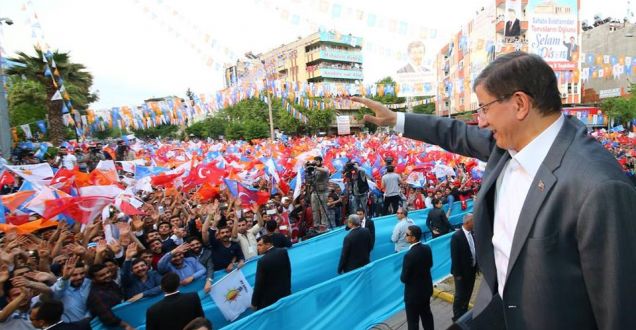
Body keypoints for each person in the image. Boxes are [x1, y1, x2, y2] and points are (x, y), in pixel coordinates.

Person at [352, 51, 636, 329]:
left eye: (485, 108)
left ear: (520, 104)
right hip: (495, 312)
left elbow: (619, 309)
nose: (482, 121)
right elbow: (454, 133)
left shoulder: (599, 187)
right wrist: (396, 119)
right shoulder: (507, 145)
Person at [400, 225, 434, 330]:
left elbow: (404, 278)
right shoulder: (427, 248)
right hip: (426, 291)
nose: (405, 236)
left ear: (413, 238)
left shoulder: (409, 255)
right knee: (427, 317)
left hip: (413, 296)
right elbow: (430, 264)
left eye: (407, 235)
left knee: (413, 322)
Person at [86, 264, 133, 330]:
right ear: (93, 279)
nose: (107, 275)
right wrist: (125, 325)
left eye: (108, 272)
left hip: (119, 318)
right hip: (110, 325)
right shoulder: (94, 294)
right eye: (102, 275)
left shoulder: (111, 282)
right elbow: (106, 316)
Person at [251, 235, 292, 310]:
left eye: (260, 245)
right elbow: (288, 272)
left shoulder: (262, 261)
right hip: (285, 294)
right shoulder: (283, 251)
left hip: (269, 301)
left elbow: (258, 284)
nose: (258, 248)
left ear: (268, 244)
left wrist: (254, 303)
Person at [450, 213, 477, 321]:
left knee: (468, 293)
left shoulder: (473, 233)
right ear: (467, 222)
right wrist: (458, 275)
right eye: (473, 221)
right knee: (460, 296)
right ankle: (457, 318)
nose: (475, 223)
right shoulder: (457, 237)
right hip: (461, 274)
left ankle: (464, 314)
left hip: (472, 270)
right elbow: (455, 258)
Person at [50, 256, 91, 323]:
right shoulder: (58, 287)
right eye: (74, 275)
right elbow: (57, 291)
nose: (79, 277)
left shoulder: (88, 282)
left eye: (82, 273)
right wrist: (65, 278)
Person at [307, 156, 330, 232]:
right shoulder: (313, 170)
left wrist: (315, 167)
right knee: (314, 209)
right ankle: (316, 225)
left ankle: (324, 225)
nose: (315, 163)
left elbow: (326, 171)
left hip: (323, 192)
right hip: (314, 191)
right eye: (315, 161)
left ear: (321, 161)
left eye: (317, 161)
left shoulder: (324, 168)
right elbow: (309, 181)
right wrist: (309, 171)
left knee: (323, 209)